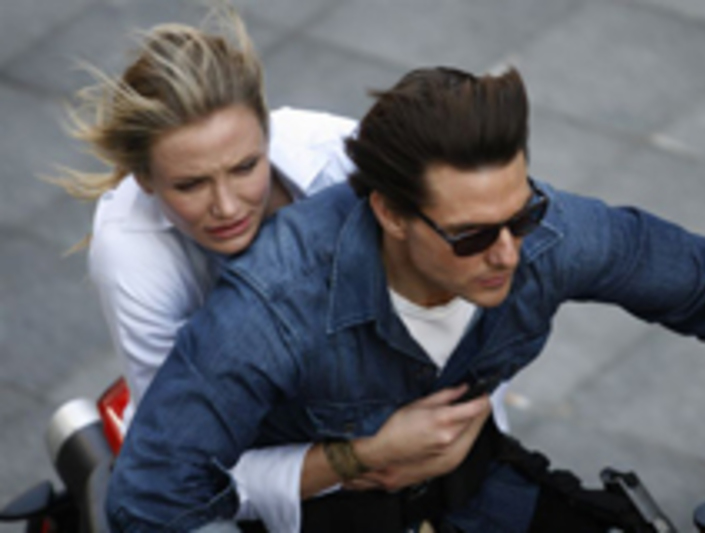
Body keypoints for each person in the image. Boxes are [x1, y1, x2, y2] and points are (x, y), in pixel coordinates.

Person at [106, 65, 705, 533]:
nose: (509, 254)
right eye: (470, 235)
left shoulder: (545, 238)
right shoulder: (273, 306)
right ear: (391, 213)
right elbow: (152, 493)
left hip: (478, 488)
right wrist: (350, 460)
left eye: (521, 215)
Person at [58, 6, 493, 532]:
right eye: (191, 185)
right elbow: (181, 465)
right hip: (263, 454)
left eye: (246, 167)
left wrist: (468, 427)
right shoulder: (130, 250)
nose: (227, 207)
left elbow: (479, 283)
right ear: (145, 180)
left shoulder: (343, 159)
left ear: (267, 135)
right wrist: (361, 457)